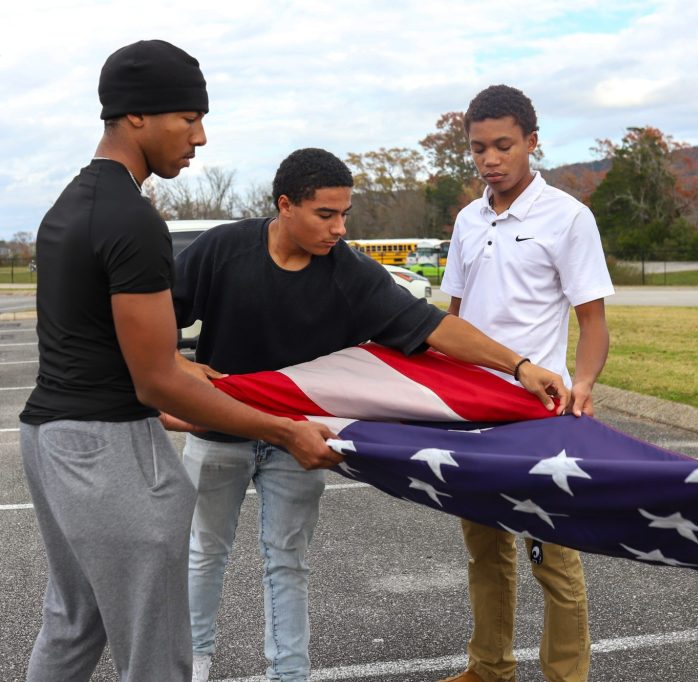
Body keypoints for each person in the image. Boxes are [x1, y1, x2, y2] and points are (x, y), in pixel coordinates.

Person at [172, 148, 572, 682]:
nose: (339, 229)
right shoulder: (222, 249)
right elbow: (152, 321)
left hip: (303, 436)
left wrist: (518, 366)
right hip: (218, 427)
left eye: (345, 215)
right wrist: (175, 364)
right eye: (325, 215)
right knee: (205, 553)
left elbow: (432, 326)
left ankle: (288, 674)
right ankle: (190, 665)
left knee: (286, 560)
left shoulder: (349, 270)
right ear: (285, 206)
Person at [18, 41, 336, 682]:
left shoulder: (71, 204)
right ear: (137, 115)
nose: (201, 137)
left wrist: (194, 378)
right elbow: (156, 377)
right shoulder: (132, 221)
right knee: (158, 654)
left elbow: (108, 348)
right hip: (109, 451)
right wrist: (284, 430)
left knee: (76, 624)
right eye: (188, 119)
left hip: (50, 439)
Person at [438, 85, 614, 682]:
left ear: (531, 143)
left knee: (553, 560)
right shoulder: (466, 220)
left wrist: (584, 382)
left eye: (503, 145)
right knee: (485, 553)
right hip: (472, 412)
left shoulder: (568, 217)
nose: (490, 159)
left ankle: (566, 676)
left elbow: (592, 319)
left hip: (539, 416)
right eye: (479, 148)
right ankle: (489, 668)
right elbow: (452, 320)